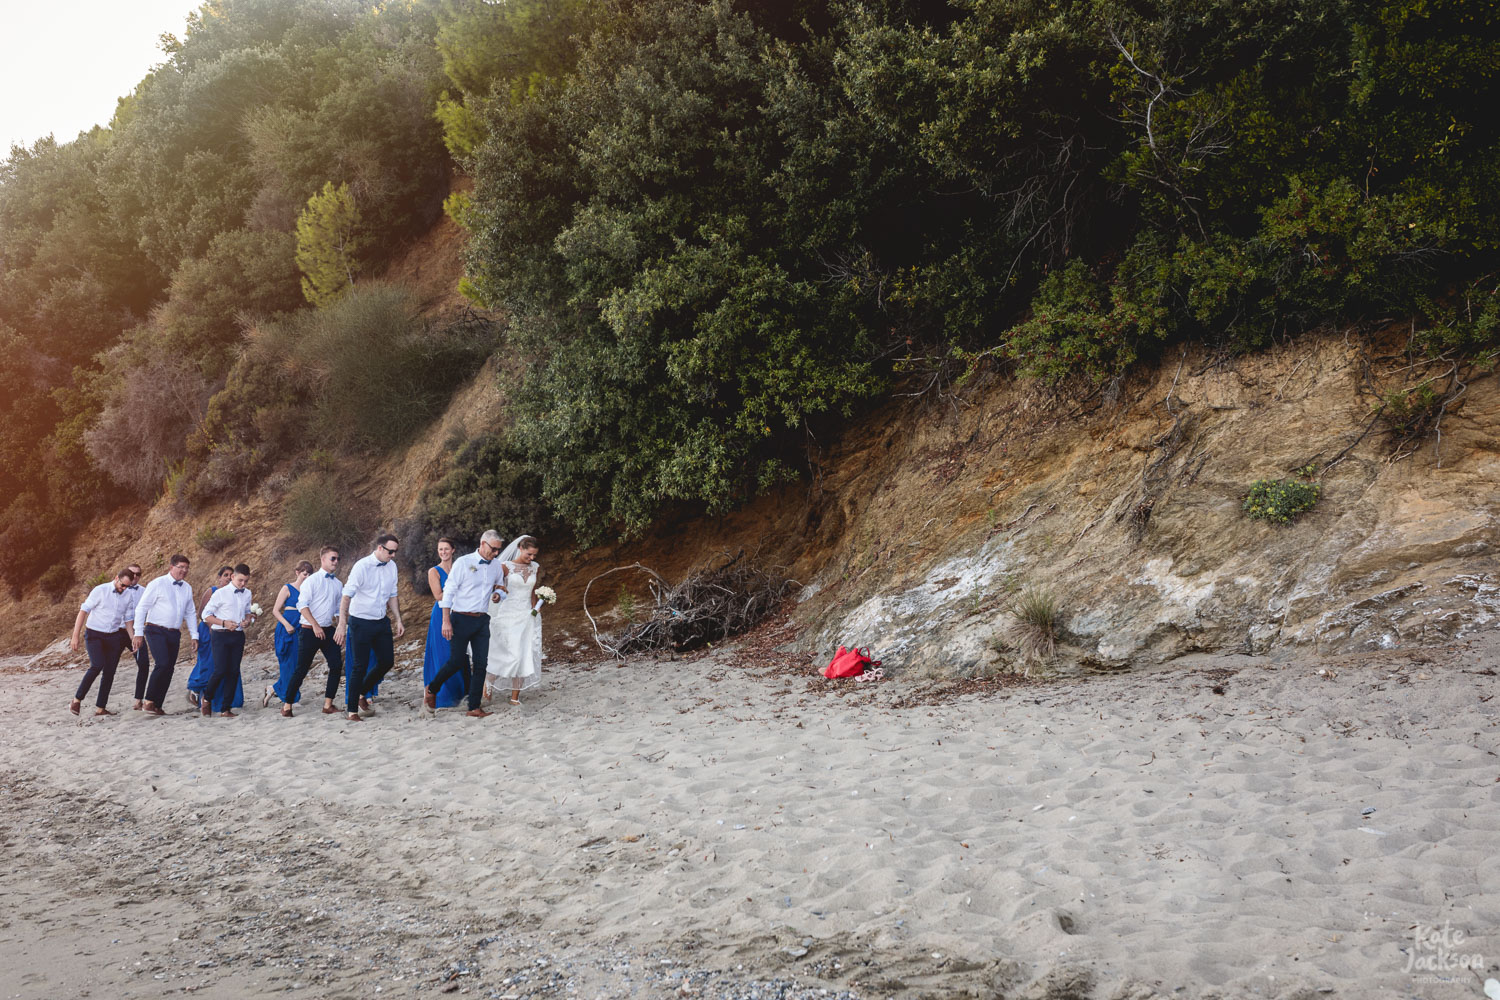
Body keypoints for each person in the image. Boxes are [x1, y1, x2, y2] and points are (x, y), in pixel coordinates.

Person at [424, 530, 504, 719]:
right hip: (460, 618)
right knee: (456, 661)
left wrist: (498, 595)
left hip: (482, 620)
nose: (496, 553)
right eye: (493, 549)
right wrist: (446, 621)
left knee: (481, 664)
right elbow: (448, 592)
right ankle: (432, 689)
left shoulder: (496, 566)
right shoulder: (463, 562)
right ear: (483, 543)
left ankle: (474, 707)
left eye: (498, 550)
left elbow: (501, 586)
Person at [335, 534, 404, 722]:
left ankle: (362, 692)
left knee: (386, 661)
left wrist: (398, 619)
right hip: (360, 622)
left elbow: (392, 594)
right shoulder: (361, 566)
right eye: (391, 551)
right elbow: (346, 596)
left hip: (381, 621)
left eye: (395, 552)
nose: (393, 555)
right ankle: (352, 710)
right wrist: (342, 624)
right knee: (359, 665)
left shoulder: (392, 566)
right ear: (380, 548)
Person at [282, 546, 345, 718]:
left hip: (328, 630)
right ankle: (287, 705)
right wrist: (315, 626)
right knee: (302, 669)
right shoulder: (312, 581)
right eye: (333, 558)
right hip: (309, 630)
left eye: (338, 559)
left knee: (336, 665)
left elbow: (340, 609)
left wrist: (341, 628)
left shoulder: (338, 584)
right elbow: (302, 606)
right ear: (323, 559)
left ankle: (328, 704)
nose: (336, 562)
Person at [133, 555, 198, 715]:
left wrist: (194, 635)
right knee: (162, 663)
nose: (184, 570)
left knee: (169, 668)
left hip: (174, 633)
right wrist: (138, 633)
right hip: (155, 629)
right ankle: (148, 701)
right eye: (180, 567)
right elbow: (141, 608)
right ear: (171, 567)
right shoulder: (157, 583)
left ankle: (157, 705)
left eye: (186, 568)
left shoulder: (187, 588)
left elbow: (190, 612)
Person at [69, 567, 137, 716]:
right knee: (97, 665)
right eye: (122, 585)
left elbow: (128, 620)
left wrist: (133, 638)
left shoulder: (128, 595)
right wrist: (75, 636)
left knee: (110, 671)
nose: (124, 588)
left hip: (113, 636)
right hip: (94, 635)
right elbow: (83, 611)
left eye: (127, 586)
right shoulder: (100, 590)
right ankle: (76, 700)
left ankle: (101, 708)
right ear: (116, 578)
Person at [486, 535, 543, 705]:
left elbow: (532, 591)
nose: (532, 558)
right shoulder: (505, 567)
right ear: (520, 548)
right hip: (508, 615)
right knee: (508, 655)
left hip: (527, 615)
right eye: (529, 554)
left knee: (523, 654)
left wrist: (536, 609)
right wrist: (496, 596)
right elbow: (497, 588)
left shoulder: (535, 567)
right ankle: (488, 682)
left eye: (534, 555)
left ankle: (515, 697)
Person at [200, 564, 254, 718]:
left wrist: (247, 620)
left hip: (237, 635)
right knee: (220, 670)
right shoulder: (220, 593)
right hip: (220, 635)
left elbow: (247, 612)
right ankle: (207, 698)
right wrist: (223, 623)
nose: (243, 584)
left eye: (246, 581)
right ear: (232, 577)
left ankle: (226, 708)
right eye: (240, 580)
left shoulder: (247, 593)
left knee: (234, 671)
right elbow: (205, 615)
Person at [187, 565, 238, 709]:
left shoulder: (235, 593)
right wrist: (211, 629)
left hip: (226, 631)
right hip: (209, 630)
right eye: (225, 575)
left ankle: (220, 699)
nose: (228, 577)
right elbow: (202, 613)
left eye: (231, 575)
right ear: (219, 577)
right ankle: (196, 689)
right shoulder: (212, 591)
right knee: (208, 662)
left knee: (224, 664)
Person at [264, 560, 313, 709]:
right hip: (287, 628)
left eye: (309, 574)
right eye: (304, 573)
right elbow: (275, 610)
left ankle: (273, 689)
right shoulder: (288, 588)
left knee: (298, 663)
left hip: (302, 627)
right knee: (287, 664)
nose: (307, 576)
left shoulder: (309, 589)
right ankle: (291, 699)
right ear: (297, 573)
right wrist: (286, 624)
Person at [421, 537, 464, 708]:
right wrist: (455, 586)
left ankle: (460, 693)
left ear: (453, 550)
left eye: (446, 549)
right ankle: (441, 694)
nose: (443, 552)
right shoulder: (434, 571)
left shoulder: (459, 568)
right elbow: (438, 596)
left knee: (459, 654)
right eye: (440, 549)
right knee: (444, 653)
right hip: (441, 614)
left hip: (460, 612)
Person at [121, 563, 150, 711]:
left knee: (144, 663)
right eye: (132, 574)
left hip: (136, 631)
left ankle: (139, 699)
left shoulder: (144, 591)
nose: (135, 577)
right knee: (108, 666)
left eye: (138, 574)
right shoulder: (119, 589)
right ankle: (101, 706)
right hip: (118, 631)